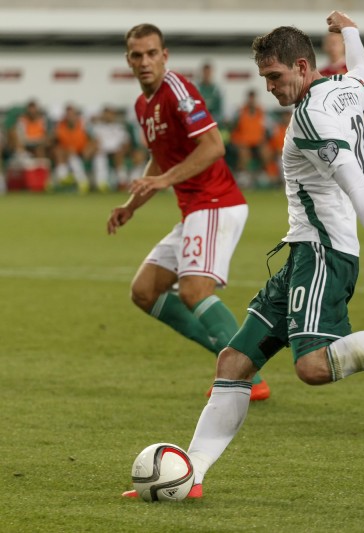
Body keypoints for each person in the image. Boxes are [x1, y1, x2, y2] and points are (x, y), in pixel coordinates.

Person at [120, 11, 364, 500]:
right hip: (303, 249)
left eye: (275, 77)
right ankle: (192, 472)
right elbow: (362, 71)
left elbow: (357, 185)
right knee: (234, 362)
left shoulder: (312, 117)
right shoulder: (343, 87)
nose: (270, 88)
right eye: (264, 78)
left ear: (301, 66)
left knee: (312, 367)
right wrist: (352, 30)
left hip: (323, 252)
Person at [107, 23, 270, 402]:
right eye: (137, 55)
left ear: (165, 56)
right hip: (195, 209)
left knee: (195, 291)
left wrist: (165, 180)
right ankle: (235, 363)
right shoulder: (142, 105)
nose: (145, 61)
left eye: (152, 54)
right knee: (145, 291)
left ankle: (247, 375)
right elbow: (159, 159)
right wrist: (131, 206)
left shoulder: (177, 91)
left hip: (216, 202)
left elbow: (214, 146)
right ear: (128, 60)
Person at [320, 30, 364, 180]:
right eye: (329, 44)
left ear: (343, 46)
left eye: (335, 43)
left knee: (361, 166)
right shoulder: (321, 73)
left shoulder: (354, 70)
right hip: (333, 128)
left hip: (357, 127)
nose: (332, 47)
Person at [229, 89, 272, 188]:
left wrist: (263, 140)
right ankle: (242, 175)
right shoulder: (240, 112)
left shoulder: (261, 112)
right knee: (244, 153)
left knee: (266, 152)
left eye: (253, 98)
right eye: (250, 98)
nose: (252, 100)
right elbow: (232, 129)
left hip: (257, 143)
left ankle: (260, 173)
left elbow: (268, 128)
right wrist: (237, 141)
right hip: (243, 143)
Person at [52, 104, 93, 194]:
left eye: (72, 115)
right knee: (65, 154)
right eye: (68, 115)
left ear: (76, 115)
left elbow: (93, 141)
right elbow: (55, 142)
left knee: (73, 157)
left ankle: (78, 181)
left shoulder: (84, 126)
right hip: (67, 154)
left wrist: (88, 149)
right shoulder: (60, 127)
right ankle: (66, 178)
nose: (70, 117)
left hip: (82, 152)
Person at [91, 105, 132, 191]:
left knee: (119, 154)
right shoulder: (98, 127)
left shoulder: (119, 127)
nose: (108, 116)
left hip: (117, 151)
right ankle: (101, 184)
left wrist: (123, 150)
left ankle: (122, 182)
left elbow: (126, 142)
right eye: (106, 114)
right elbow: (95, 141)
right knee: (99, 156)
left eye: (110, 114)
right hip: (102, 151)